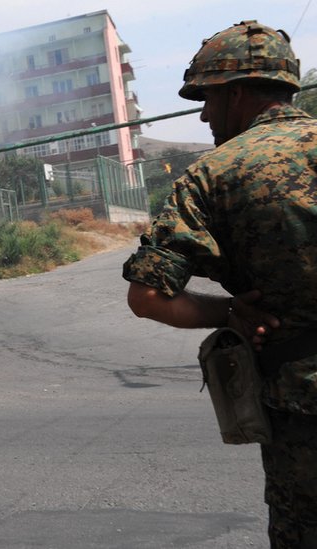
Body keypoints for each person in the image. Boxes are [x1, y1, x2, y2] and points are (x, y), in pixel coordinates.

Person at [122, 20, 316, 547]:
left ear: (236, 93)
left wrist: (228, 313)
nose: (204, 114)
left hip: (303, 414)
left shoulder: (213, 175)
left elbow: (147, 297)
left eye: (206, 99)